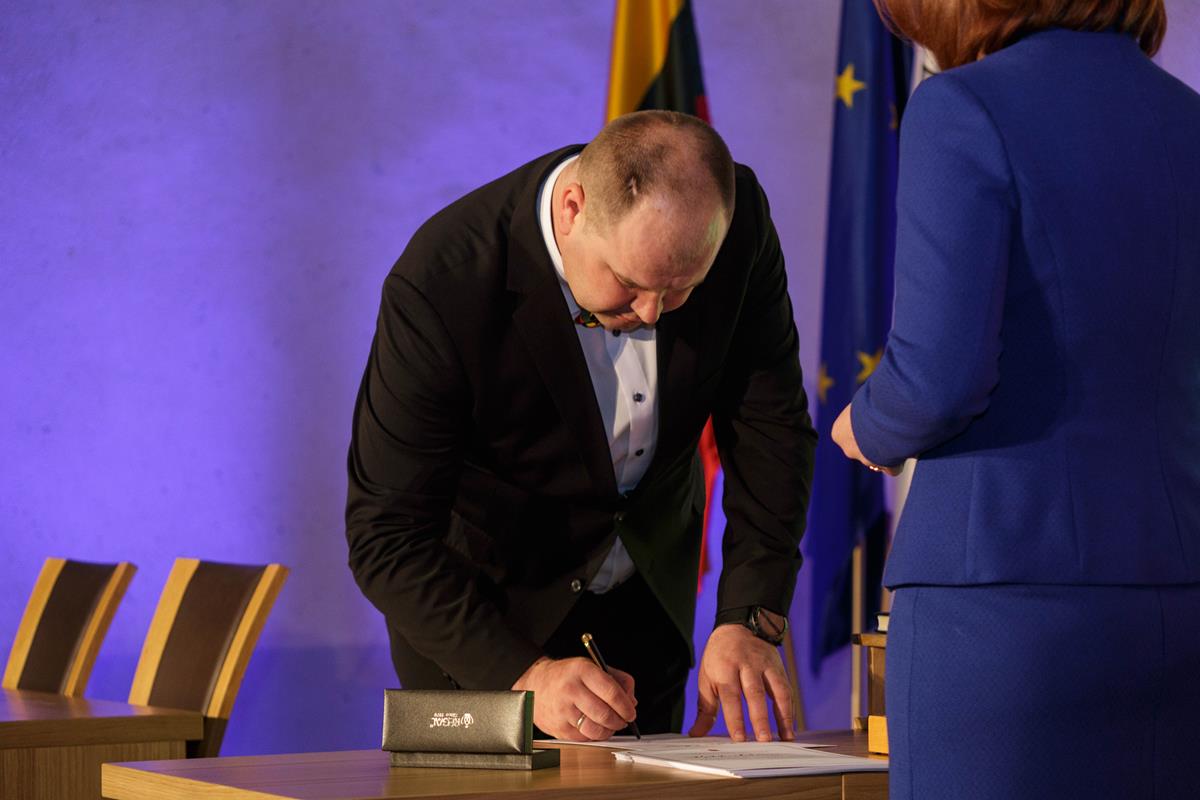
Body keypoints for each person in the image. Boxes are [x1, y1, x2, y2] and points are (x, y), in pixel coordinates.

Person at [346, 110, 816, 742]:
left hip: (646, 621)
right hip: (482, 635)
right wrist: (523, 674)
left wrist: (748, 618)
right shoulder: (443, 283)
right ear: (573, 209)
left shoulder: (738, 221)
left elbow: (771, 429)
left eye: (681, 291)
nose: (652, 314)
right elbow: (385, 535)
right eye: (629, 283)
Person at [832, 1, 1200, 797]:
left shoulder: (963, 107)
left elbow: (939, 377)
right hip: (1175, 599)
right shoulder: (1188, 118)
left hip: (1003, 611)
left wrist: (865, 425)